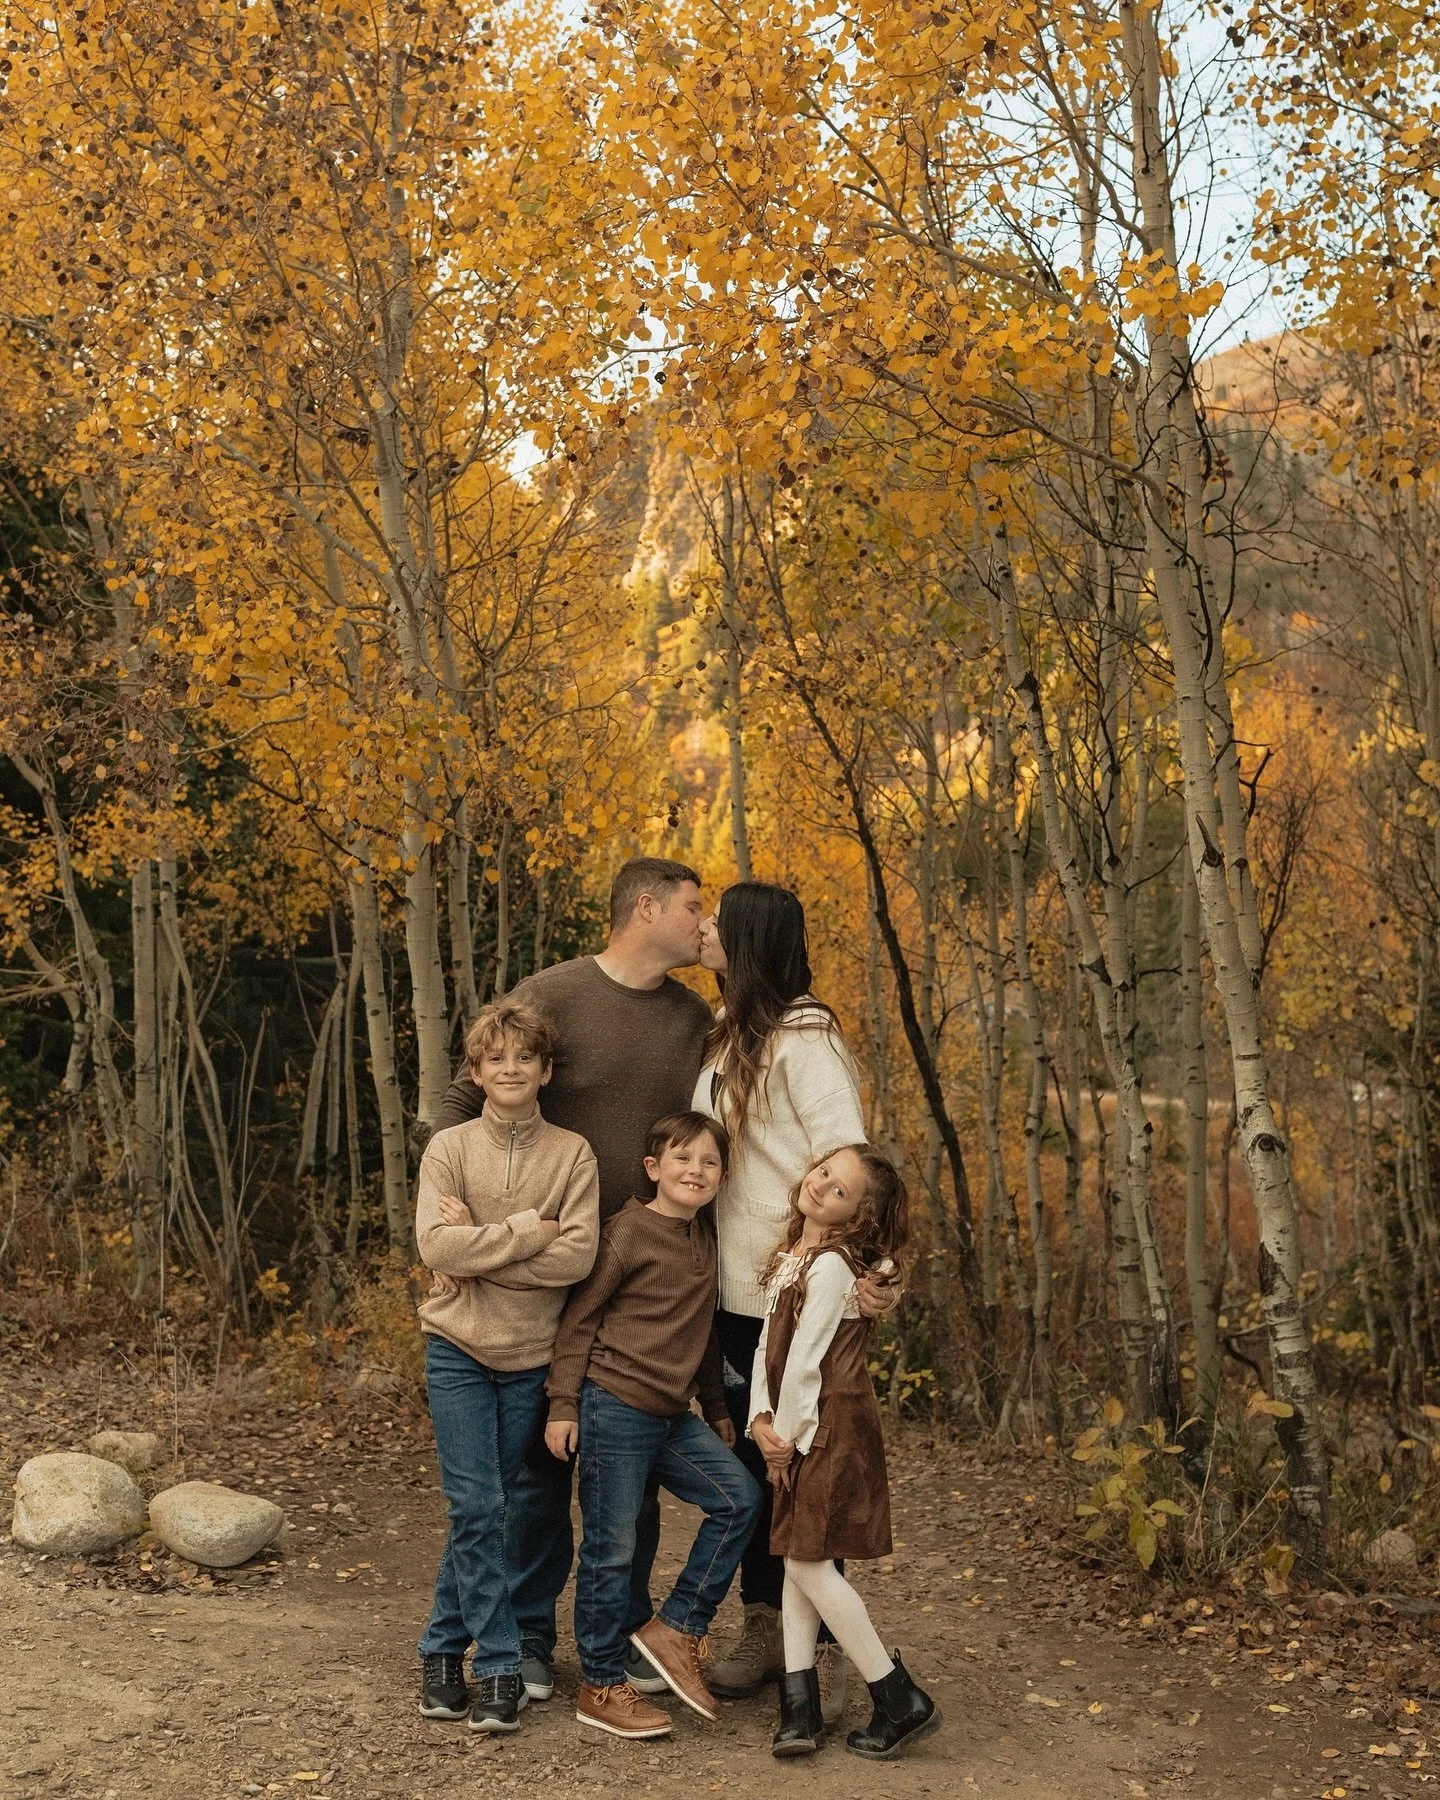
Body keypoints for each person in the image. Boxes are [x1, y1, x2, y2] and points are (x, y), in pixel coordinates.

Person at [429, 856, 713, 1702]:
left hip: (632, 1273)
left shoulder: (694, 1015)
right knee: (524, 1480)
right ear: (648, 908)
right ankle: (515, 1639)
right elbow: (459, 1103)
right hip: (534, 1281)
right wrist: (463, 1224)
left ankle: (618, 1636)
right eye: (695, 908)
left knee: (622, 1464)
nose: (705, 924)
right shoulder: (554, 991)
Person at [694, 880, 894, 1723]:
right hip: (738, 1290)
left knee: (797, 1472)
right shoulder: (737, 1034)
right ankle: (773, 1631)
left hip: (790, 1295)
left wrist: (871, 1269)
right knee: (752, 1463)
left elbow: (851, 1165)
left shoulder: (808, 1043)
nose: (702, 929)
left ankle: (820, 1651)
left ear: (747, 944)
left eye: (717, 922)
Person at [544, 1112, 762, 1741]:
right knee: (611, 1550)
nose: (696, 1171)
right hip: (614, 1404)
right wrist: (563, 1405)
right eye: (682, 1159)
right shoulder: (626, 1234)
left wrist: (718, 1408)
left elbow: (706, 1331)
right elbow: (578, 1320)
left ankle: (677, 1628)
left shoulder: (705, 1237)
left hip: (673, 1414)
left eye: (709, 1163)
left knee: (739, 1499)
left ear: (722, 1176)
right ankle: (601, 1683)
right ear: (653, 1168)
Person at [414, 999, 600, 1733]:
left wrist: (482, 1252)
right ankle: (495, 1666)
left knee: (514, 1507)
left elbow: (577, 1258)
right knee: (476, 1505)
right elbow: (436, 1248)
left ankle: (437, 1648)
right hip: (456, 1350)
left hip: (532, 1359)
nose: (511, 1069)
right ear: (478, 1072)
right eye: (497, 1060)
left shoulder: (573, 1154)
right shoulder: (450, 1149)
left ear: (546, 1070)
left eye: (525, 1058)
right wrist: (526, 1231)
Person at [750, 1144, 940, 1761]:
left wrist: (785, 1441)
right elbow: (765, 1350)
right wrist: (758, 1416)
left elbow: (806, 1364)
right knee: (797, 1561)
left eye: (840, 1190)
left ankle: (897, 1695)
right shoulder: (792, 1258)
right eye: (824, 1170)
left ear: (857, 1216)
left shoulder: (832, 1267)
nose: (822, 1184)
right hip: (795, 1426)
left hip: (826, 1429)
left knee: (806, 1565)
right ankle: (799, 1710)